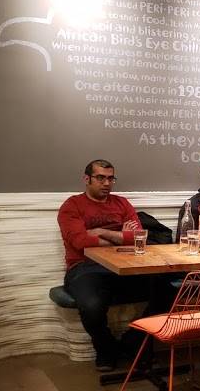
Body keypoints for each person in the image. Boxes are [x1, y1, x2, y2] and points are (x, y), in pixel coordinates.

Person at [58, 159, 148, 371]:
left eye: (110, 178)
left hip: (125, 266)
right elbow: (80, 242)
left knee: (168, 288)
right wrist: (120, 236)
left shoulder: (122, 203)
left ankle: (132, 340)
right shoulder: (72, 205)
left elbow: (138, 237)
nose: (106, 183)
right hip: (85, 268)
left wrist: (101, 232)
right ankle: (106, 348)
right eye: (100, 178)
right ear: (86, 179)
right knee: (91, 305)